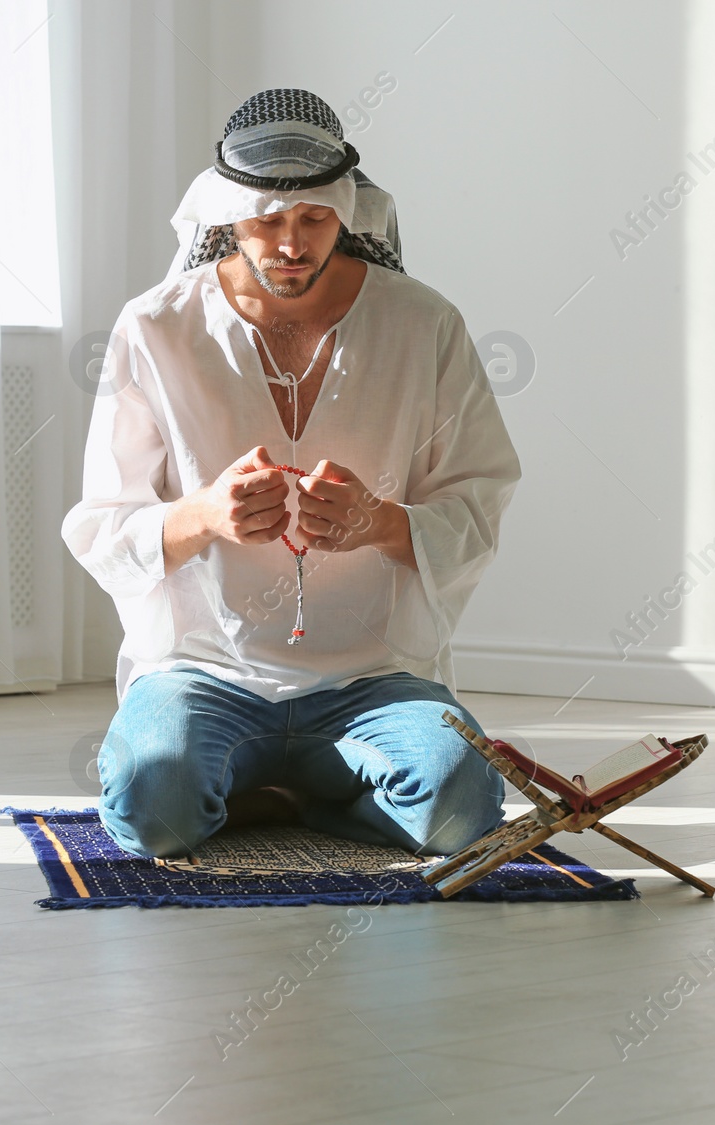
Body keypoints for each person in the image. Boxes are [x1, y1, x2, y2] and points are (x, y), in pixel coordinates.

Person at [61, 88, 522, 860]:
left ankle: (283, 791)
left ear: (347, 209)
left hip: (375, 677)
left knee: (462, 807)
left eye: (313, 219)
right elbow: (103, 524)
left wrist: (380, 521)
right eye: (266, 221)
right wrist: (205, 515)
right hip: (204, 670)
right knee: (155, 815)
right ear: (224, 217)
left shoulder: (425, 324)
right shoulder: (154, 326)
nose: (291, 245)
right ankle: (291, 785)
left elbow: (480, 498)